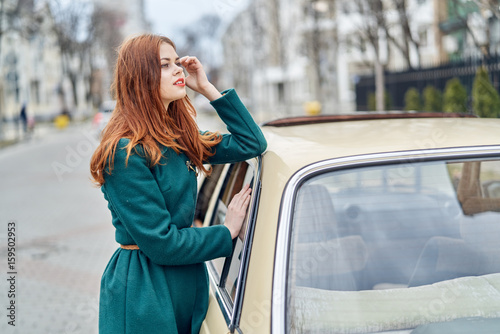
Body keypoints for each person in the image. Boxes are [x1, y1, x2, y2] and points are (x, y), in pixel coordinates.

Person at [89, 34, 267, 334]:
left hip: (185, 280)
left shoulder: (179, 138)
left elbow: (251, 142)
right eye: (164, 64)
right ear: (140, 77)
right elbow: (162, 243)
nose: (178, 70)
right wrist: (226, 231)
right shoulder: (124, 152)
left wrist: (208, 88)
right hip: (146, 292)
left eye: (177, 62)